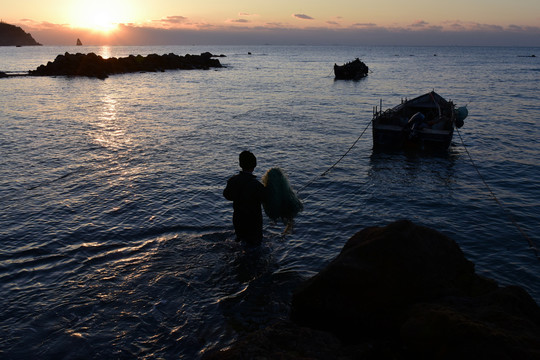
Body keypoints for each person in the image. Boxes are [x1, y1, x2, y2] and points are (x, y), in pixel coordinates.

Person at [223, 151, 267, 245]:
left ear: (240, 164)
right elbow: (266, 199)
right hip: (253, 222)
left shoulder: (233, 180)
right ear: (254, 165)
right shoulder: (257, 185)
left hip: (238, 219)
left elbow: (227, 195)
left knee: (241, 241)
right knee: (254, 246)